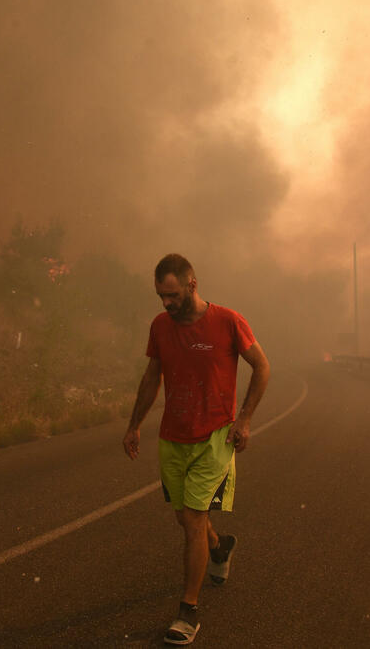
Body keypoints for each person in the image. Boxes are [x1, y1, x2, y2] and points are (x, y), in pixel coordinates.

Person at [123, 253, 270, 645]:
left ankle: (187, 611)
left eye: (171, 295)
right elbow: (153, 375)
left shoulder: (227, 321)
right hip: (173, 438)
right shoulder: (160, 326)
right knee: (187, 521)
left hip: (214, 439)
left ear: (192, 284)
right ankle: (220, 549)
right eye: (160, 296)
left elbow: (262, 366)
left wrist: (245, 419)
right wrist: (134, 424)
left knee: (191, 522)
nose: (166, 303)